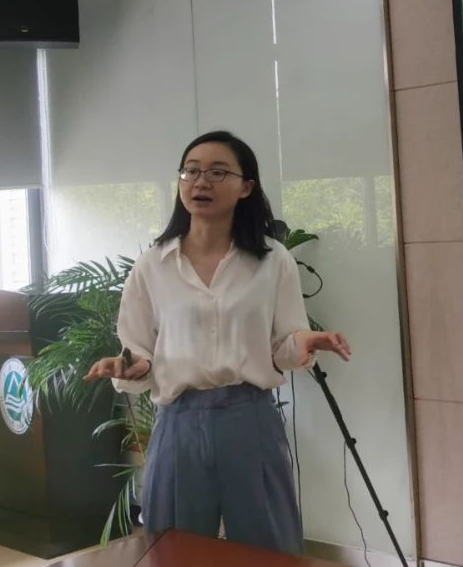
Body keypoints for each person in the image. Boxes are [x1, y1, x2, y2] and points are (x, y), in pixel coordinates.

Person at [85, 131, 351, 554]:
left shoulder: (273, 260)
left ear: (246, 187)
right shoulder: (153, 265)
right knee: (175, 549)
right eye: (191, 171)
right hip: (179, 423)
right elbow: (138, 348)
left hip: (250, 418)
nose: (200, 182)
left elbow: (283, 343)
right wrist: (132, 365)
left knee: (268, 546)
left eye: (217, 172)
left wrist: (304, 341)